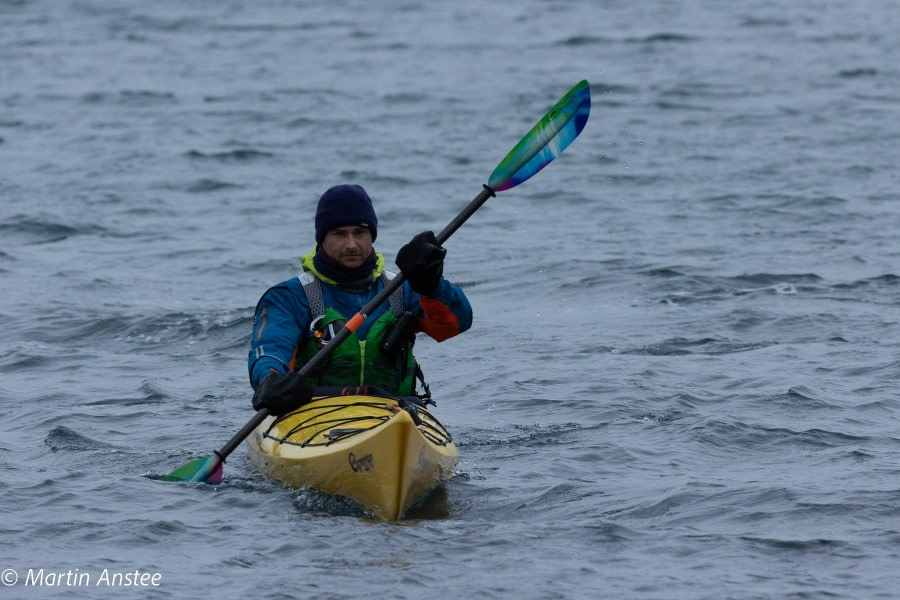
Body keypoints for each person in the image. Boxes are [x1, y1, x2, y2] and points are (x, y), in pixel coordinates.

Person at [247, 184, 473, 416]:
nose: (352, 244)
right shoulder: (289, 297)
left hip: (395, 413)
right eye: (339, 234)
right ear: (322, 239)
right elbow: (270, 351)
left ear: (372, 236)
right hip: (311, 416)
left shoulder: (403, 289)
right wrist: (270, 381)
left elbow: (455, 325)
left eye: (360, 232)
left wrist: (433, 286)